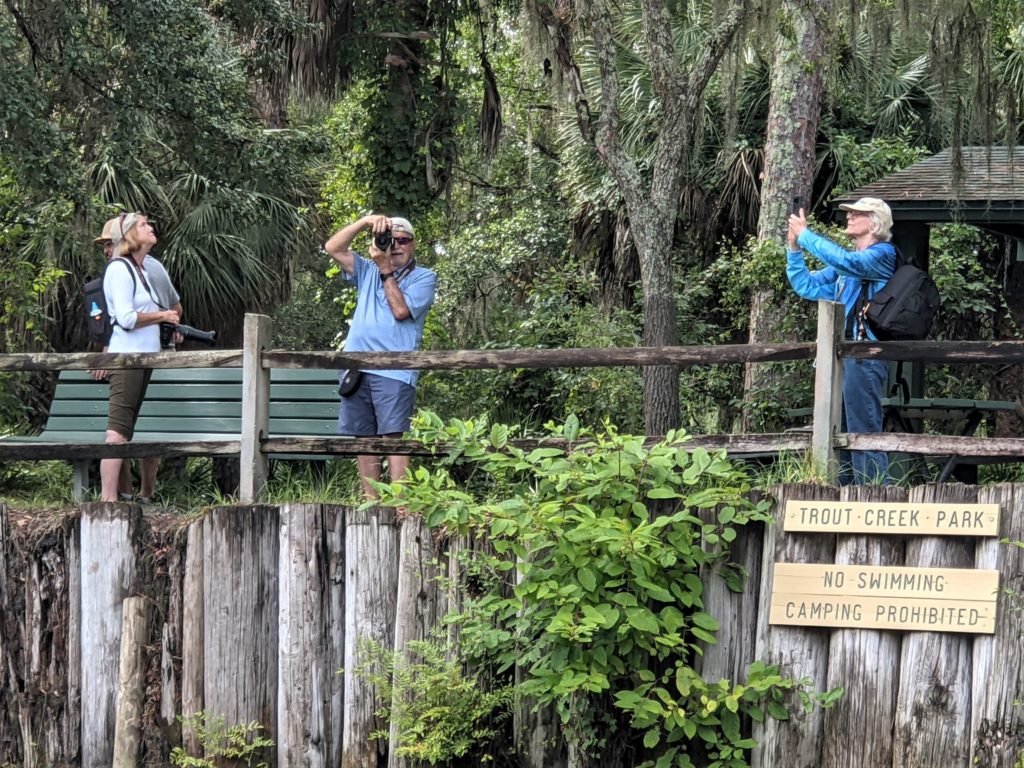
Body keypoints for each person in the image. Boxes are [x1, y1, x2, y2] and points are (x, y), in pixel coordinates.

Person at [324, 214, 437, 498]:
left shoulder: (424, 276)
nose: (395, 245)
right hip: (357, 367)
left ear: (413, 244)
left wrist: (385, 268)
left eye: (402, 240)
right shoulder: (366, 269)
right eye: (389, 239)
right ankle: (371, 505)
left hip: (394, 369)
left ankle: (400, 506)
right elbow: (332, 248)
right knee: (364, 437)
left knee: (393, 437)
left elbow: (401, 311)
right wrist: (365, 222)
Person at [787, 197, 897, 484]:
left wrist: (806, 234)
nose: (848, 217)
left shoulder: (882, 254)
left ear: (875, 223)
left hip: (865, 355)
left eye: (856, 213)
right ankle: (845, 494)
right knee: (839, 431)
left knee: (863, 429)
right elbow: (806, 285)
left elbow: (847, 261)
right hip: (841, 355)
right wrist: (794, 248)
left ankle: (874, 495)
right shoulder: (849, 266)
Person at [99, 212, 181, 502]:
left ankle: (118, 499)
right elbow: (125, 318)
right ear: (130, 236)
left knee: (125, 431)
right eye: (144, 225)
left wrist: (168, 325)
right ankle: (108, 500)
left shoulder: (142, 270)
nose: (151, 228)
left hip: (144, 358)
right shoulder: (119, 269)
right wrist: (161, 314)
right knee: (117, 432)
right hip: (128, 359)